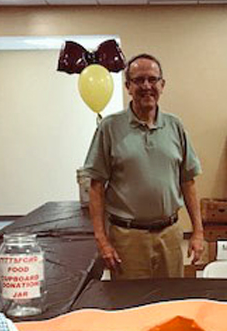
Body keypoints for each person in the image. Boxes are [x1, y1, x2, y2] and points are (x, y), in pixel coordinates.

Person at [82, 53, 206, 279]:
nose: (146, 86)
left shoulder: (175, 126)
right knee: (130, 300)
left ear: (162, 85)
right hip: (127, 239)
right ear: (128, 86)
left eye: (152, 79)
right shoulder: (109, 128)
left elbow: (188, 182)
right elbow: (96, 187)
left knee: (172, 298)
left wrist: (198, 232)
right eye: (139, 80)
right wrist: (102, 240)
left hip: (169, 236)